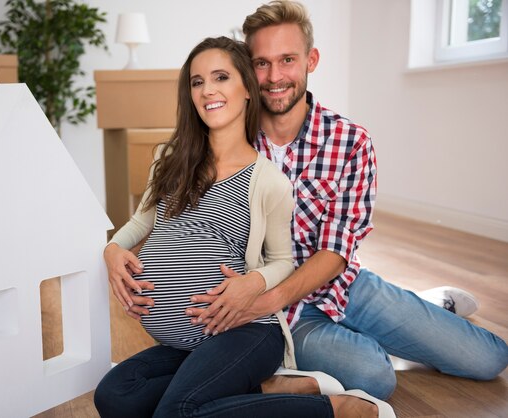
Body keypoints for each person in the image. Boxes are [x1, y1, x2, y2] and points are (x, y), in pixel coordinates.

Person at [126, 0, 508, 402]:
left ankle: (430, 306)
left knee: (487, 359)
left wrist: (263, 300)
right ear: (245, 70)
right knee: (374, 376)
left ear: (311, 59)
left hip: (340, 284)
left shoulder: (350, 142)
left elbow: (337, 250)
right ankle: (365, 343)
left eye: (287, 59)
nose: (275, 77)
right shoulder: (224, 137)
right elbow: (171, 220)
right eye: (261, 63)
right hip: (283, 315)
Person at [95, 36, 395, 418]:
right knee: (114, 396)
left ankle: (340, 410)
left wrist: (253, 283)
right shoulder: (169, 162)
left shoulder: (267, 180)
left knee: (177, 412)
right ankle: (267, 390)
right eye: (197, 81)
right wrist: (112, 249)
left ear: (247, 90)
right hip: (185, 346)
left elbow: (283, 260)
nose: (208, 90)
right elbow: (142, 220)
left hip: (244, 332)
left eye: (221, 77)